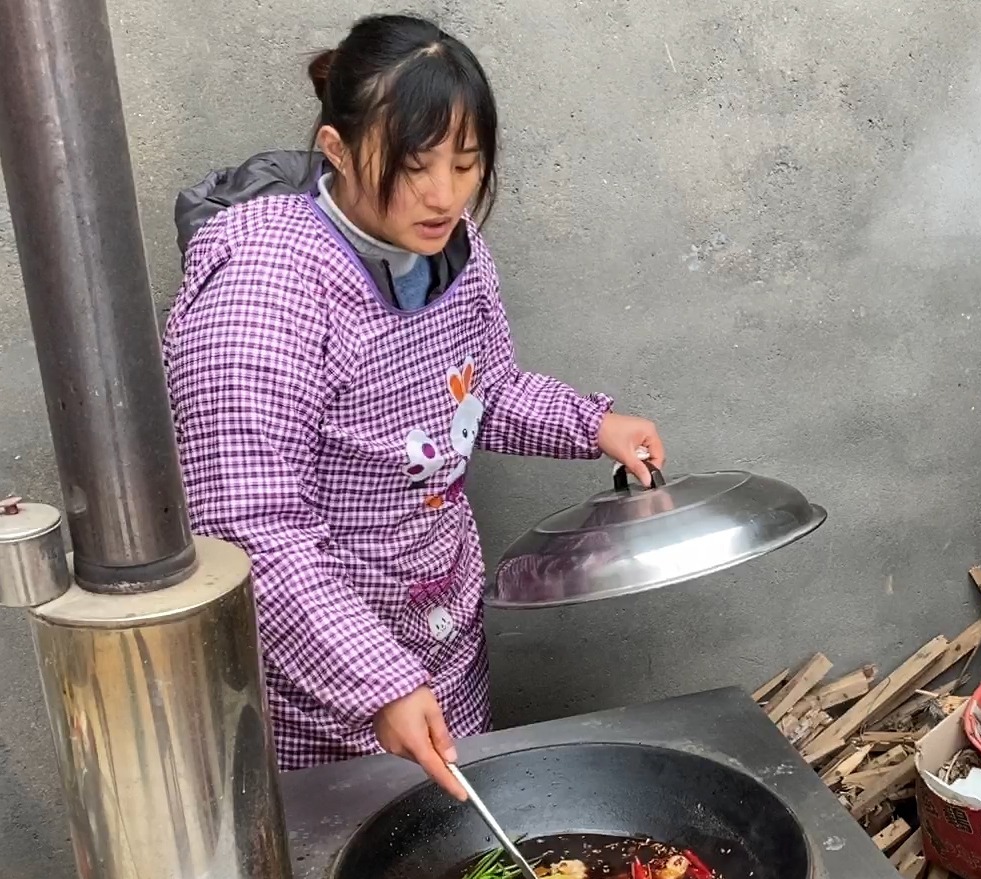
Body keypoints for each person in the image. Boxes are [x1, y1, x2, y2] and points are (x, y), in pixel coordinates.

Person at [162, 14, 664, 801]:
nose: (444, 196)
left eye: (466, 165)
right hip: (312, 680)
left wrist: (589, 424)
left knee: (460, 853)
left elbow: (480, 391)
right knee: (352, 872)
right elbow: (245, 524)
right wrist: (373, 682)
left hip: (442, 630)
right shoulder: (265, 288)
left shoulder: (450, 245)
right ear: (335, 149)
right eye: (414, 166)